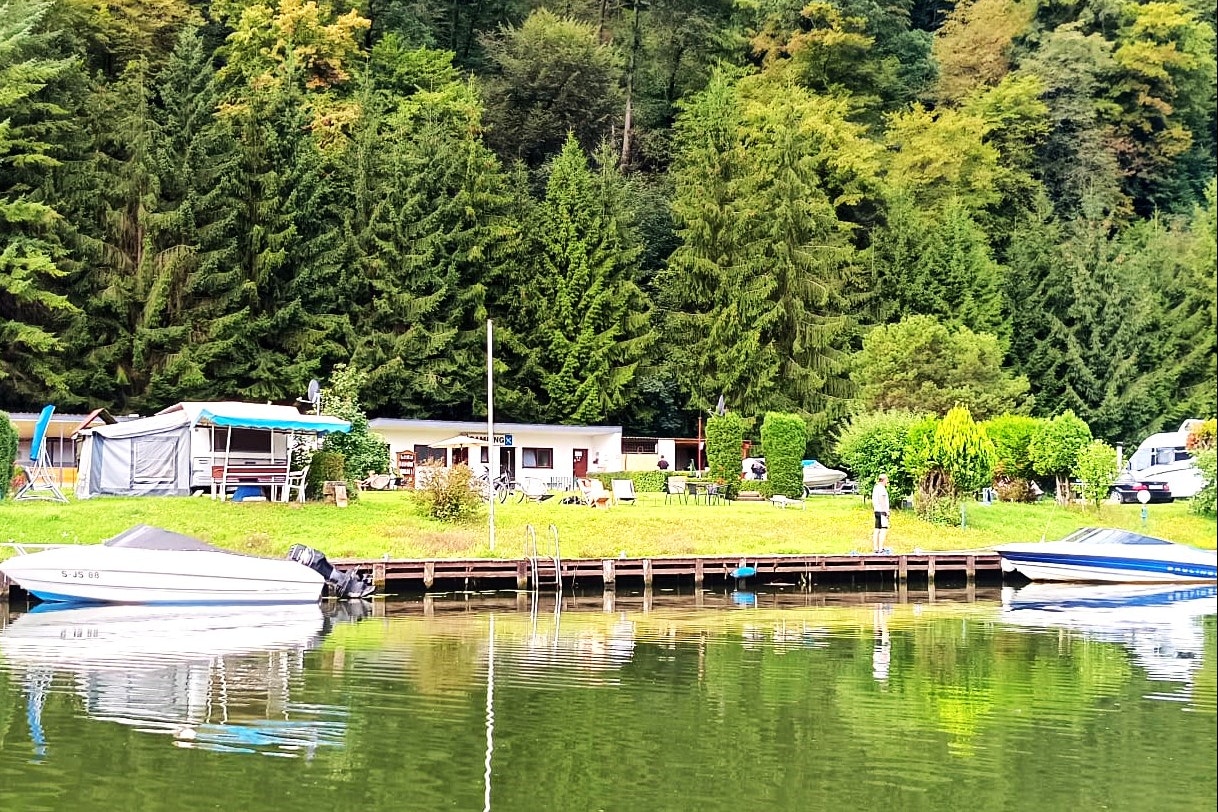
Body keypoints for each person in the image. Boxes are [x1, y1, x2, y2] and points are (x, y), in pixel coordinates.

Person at [871, 473, 890, 553]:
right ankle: (881, 548)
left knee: (877, 529)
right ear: (883, 480)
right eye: (887, 480)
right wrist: (886, 511)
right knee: (883, 529)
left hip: (876, 510)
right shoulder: (882, 488)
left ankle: (875, 548)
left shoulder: (876, 487)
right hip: (882, 511)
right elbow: (882, 500)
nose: (887, 481)